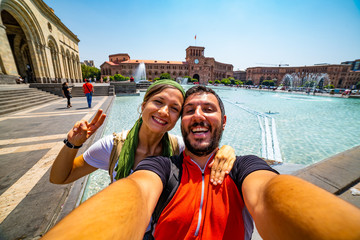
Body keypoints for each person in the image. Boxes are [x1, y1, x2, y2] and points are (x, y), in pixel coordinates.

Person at [43, 85, 360, 240]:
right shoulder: (164, 165)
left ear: (223, 120)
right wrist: (73, 142)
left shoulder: (238, 165)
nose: (196, 115)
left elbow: (267, 193)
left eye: (207, 109)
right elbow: (134, 192)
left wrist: (232, 154)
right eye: (190, 109)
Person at [50, 80, 235, 186]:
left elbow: (205, 155)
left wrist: (226, 150)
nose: (163, 112)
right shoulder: (112, 146)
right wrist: (72, 144)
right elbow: (59, 178)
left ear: (177, 118)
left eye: (174, 108)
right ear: (143, 104)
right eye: (158, 102)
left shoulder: (178, 147)